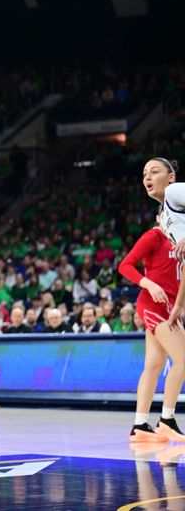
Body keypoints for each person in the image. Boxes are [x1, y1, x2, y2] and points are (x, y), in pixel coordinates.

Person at [119, 157, 185, 442]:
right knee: (182, 359)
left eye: (154, 171)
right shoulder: (155, 235)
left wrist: (179, 304)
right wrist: (149, 283)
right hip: (153, 303)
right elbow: (124, 265)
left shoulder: (174, 216)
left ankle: (140, 425)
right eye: (144, 173)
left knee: (154, 365)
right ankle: (167, 419)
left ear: (171, 177)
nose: (147, 177)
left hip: (168, 305)